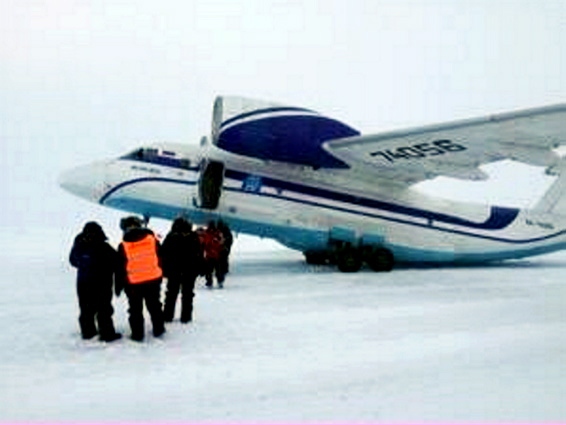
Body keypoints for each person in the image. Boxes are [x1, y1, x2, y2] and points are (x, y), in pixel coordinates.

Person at [69, 221, 122, 342]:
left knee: (86, 308)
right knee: (103, 309)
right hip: (102, 283)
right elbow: (117, 263)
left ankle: (88, 332)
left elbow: (72, 261)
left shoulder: (78, 246)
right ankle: (107, 334)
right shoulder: (104, 247)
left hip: (83, 282)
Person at [115, 216, 165, 342]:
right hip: (153, 279)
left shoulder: (123, 245)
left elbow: (120, 268)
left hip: (133, 282)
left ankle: (137, 335)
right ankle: (159, 330)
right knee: (154, 306)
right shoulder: (152, 240)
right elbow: (161, 256)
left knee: (135, 309)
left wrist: (118, 285)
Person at [161, 217, 204, 323]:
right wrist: (199, 269)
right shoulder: (193, 236)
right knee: (187, 294)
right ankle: (186, 317)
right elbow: (199, 255)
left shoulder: (171, 236)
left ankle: (167, 315)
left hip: (174, 270)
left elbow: (163, 254)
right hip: (189, 271)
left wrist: (165, 270)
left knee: (171, 294)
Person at [199, 220, 226, 288]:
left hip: (216, 256)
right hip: (210, 256)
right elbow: (202, 242)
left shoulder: (217, 233)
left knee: (218, 271)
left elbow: (222, 242)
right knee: (209, 271)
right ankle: (210, 282)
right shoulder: (206, 233)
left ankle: (219, 281)